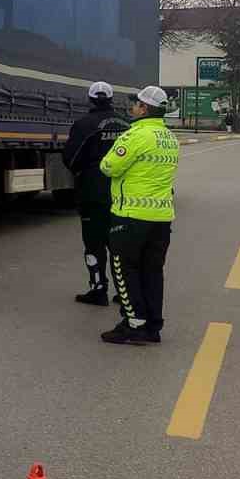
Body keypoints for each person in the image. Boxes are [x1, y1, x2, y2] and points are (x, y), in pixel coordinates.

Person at [99, 85, 178, 345]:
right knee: (153, 272)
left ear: (144, 108)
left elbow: (108, 166)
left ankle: (133, 324)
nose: (132, 108)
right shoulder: (169, 138)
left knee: (125, 270)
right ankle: (153, 326)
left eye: (135, 104)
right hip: (161, 218)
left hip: (131, 215)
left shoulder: (135, 135)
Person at [61, 81, 126, 306]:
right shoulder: (128, 125)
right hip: (122, 195)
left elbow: (70, 157)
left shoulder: (84, 125)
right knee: (120, 244)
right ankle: (124, 292)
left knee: (94, 244)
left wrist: (85, 174)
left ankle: (98, 289)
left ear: (90, 99)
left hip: (92, 194)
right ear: (111, 98)